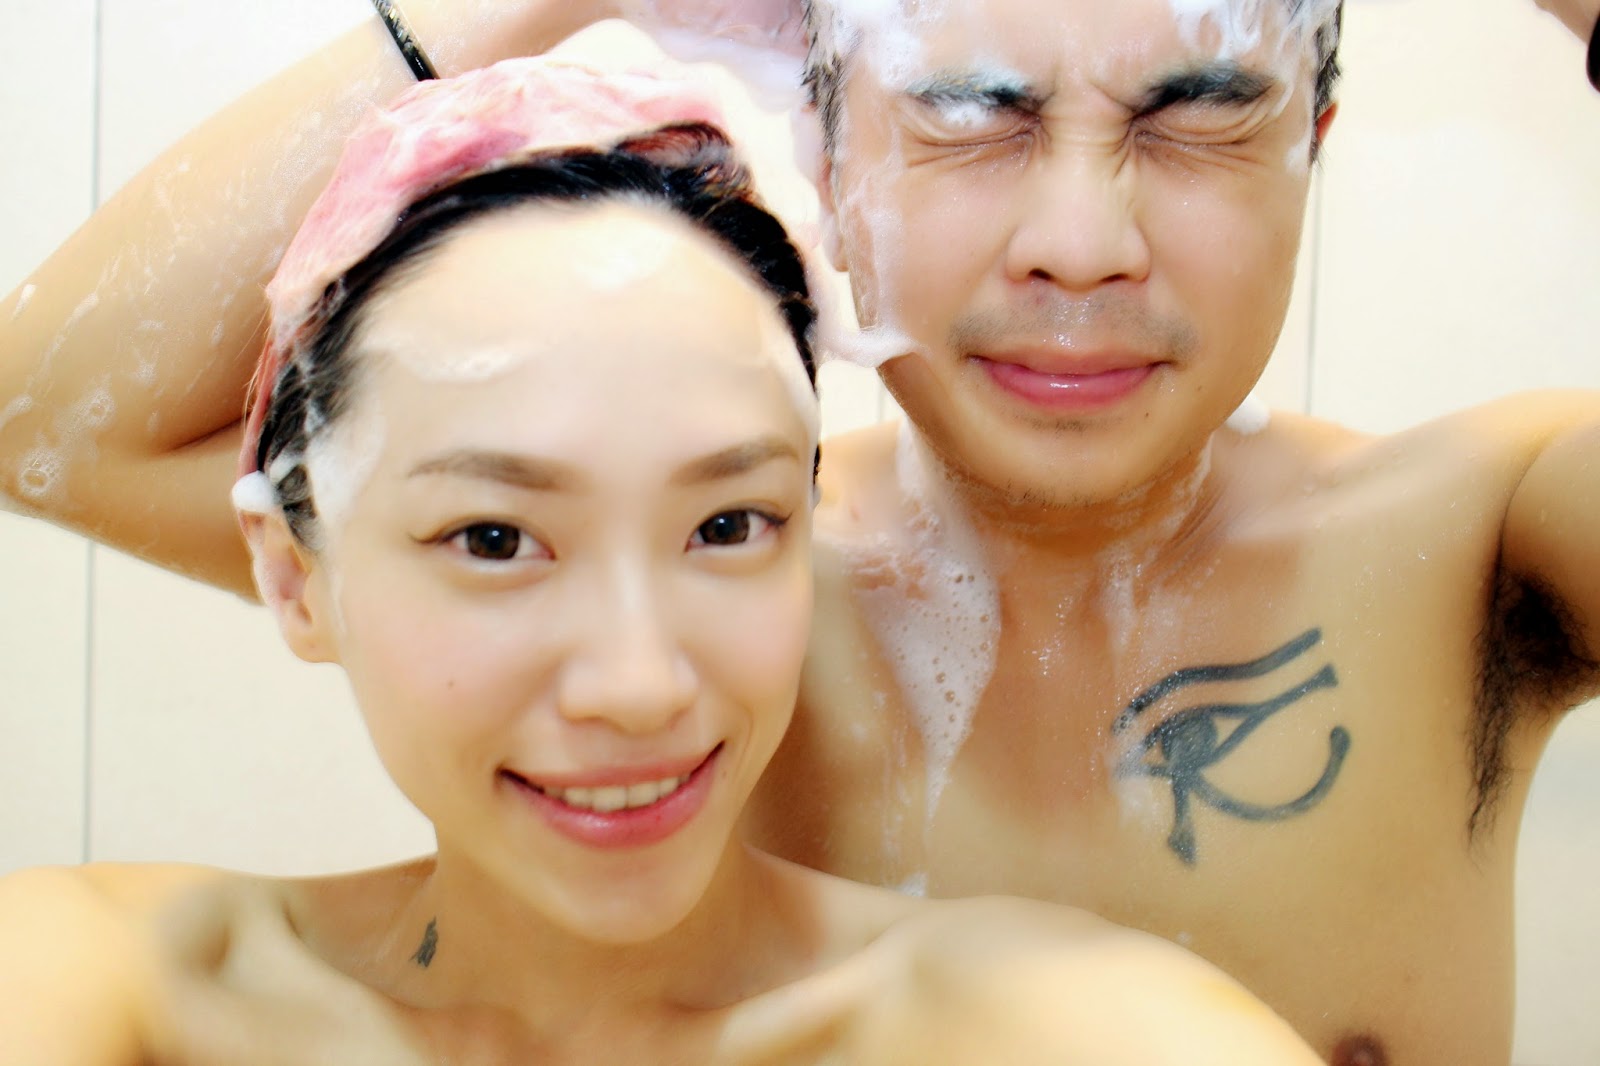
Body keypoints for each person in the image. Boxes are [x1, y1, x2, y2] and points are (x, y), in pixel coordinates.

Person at [2, 1, 1597, 1063]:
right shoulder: (676, 579)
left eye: (1197, 121)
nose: (1081, 244)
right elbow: (48, 419)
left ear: (1315, 138)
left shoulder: (1478, 549)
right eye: (970, 116)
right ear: (827, 157)